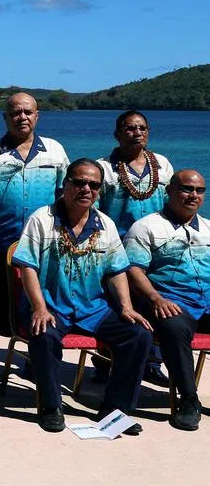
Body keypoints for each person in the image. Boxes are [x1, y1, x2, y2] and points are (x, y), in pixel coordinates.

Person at [12, 158, 153, 434]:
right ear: (66, 185)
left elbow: (116, 270)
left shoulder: (106, 225)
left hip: (93, 308)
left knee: (138, 335)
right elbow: (27, 267)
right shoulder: (42, 219)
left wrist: (125, 307)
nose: (86, 189)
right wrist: (39, 307)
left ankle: (116, 411)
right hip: (51, 304)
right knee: (44, 334)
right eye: (79, 182)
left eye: (93, 185)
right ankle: (51, 407)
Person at [0, 92, 69, 380]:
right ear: (5, 117)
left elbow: (65, 195)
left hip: (43, 246)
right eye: (15, 113)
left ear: (37, 116)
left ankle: (37, 361)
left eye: (27, 112)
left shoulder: (55, 151)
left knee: (41, 302)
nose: (21, 117)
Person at [124, 169, 209, 430]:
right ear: (169, 191)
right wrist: (155, 299)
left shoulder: (207, 228)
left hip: (206, 299)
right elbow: (133, 270)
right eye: (186, 189)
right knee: (173, 327)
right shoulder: (146, 227)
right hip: (170, 300)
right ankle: (189, 400)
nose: (193, 195)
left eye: (199, 191)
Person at [96, 110, 173, 385]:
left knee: (157, 303)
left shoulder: (162, 164)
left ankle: (152, 362)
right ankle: (104, 362)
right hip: (116, 250)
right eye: (129, 128)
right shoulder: (103, 168)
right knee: (116, 306)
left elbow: (171, 204)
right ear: (117, 134)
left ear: (148, 132)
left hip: (156, 249)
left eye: (142, 127)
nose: (136, 132)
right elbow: (93, 211)